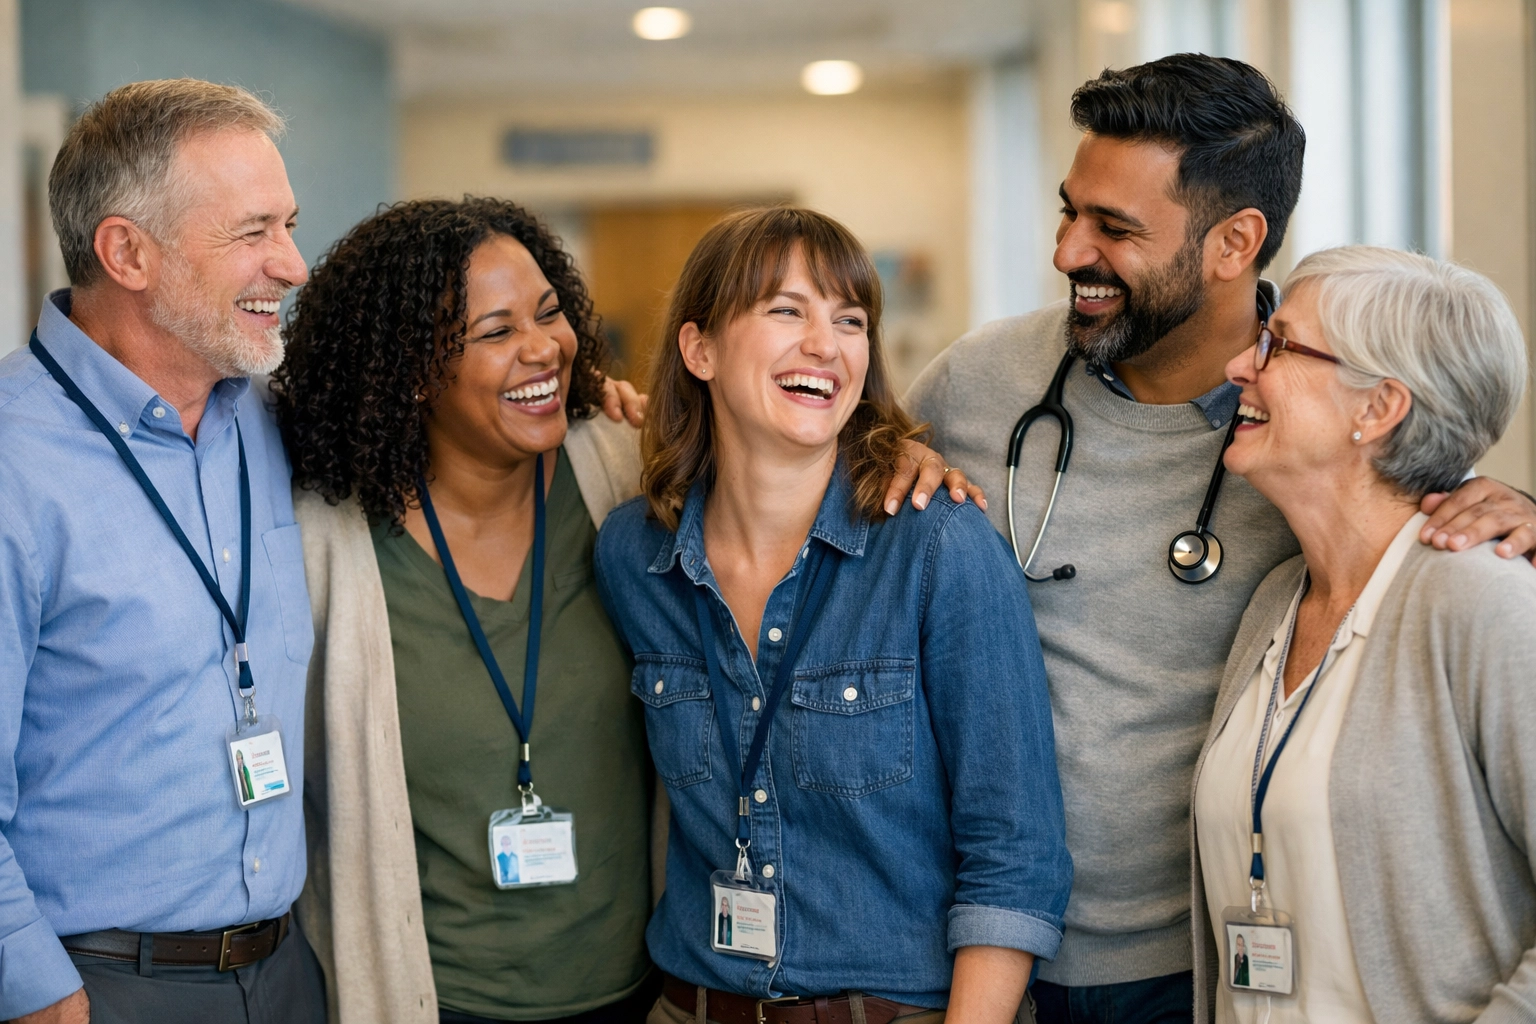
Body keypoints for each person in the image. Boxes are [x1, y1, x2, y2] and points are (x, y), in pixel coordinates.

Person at [904, 54, 1536, 1023]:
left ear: (1235, 242)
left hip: (1190, 963)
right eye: (1069, 212)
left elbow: (1425, 528)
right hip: (995, 943)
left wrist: (1521, 517)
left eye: (1115, 229)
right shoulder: (979, 383)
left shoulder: (1335, 453)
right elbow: (814, 486)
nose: (1071, 251)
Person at [273, 197, 976, 1024]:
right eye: (497, 332)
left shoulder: (620, 473)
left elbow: (778, 448)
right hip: (429, 998)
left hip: (643, 994)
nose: (544, 348)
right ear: (409, 369)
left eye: (550, 314)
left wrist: (888, 449)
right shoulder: (323, 539)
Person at [595, 206, 1072, 1024]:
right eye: (787, 310)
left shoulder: (938, 549)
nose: (827, 344)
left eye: (850, 320)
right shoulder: (634, 555)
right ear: (698, 348)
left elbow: (1015, 853)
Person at [0, 80, 324, 1023]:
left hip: (289, 970)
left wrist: (602, 411)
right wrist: (32, 987)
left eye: (290, 224)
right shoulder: (14, 459)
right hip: (95, 987)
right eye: (253, 231)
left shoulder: (274, 420)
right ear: (127, 252)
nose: (294, 264)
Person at [1191, 247, 1536, 1022]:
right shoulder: (1278, 601)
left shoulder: (1484, 605)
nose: (1242, 365)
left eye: (1279, 343)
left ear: (1377, 408)